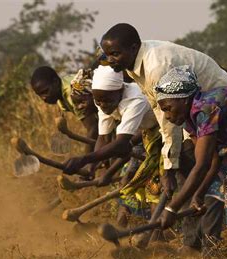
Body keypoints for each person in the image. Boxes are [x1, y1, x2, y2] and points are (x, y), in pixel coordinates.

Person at [100, 23, 227, 196]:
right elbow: (161, 110)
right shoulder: (135, 64)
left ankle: (200, 208)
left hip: (222, 109)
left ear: (133, 48)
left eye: (115, 54)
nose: (110, 60)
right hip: (195, 116)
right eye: (108, 54)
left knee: (191, 162)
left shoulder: (157, 66)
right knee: (192, 165)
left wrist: (169, 166)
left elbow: (169, 118)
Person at [154, 66, 227, 255]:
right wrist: (198, 195)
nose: (167, 115)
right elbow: (212, 160)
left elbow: (201, 166)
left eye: (168, 108)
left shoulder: (205, 108)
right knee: (219, 189)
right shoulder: (190, 119)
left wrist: (172, 208)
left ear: (183, 100)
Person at [62, 65, 166, 225]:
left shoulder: (134, 100)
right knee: (136, 180)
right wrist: (92, 167)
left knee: (156, 184)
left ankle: (157, 234)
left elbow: (120, 145)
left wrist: (84, 159)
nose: (102, 105)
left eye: (106, 100)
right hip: (146, 133)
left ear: (120, 91)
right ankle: (132, 229)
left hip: (166, 130)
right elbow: (103, 138)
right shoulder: (103, 100)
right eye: (98, 101)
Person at [30, 66, 98, 154]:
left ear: (55, 82)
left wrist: (87, 160)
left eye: (45, 91)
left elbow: (93, 128)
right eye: (40, 95)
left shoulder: (71, 93)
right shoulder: (62, 90)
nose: (43, 98)